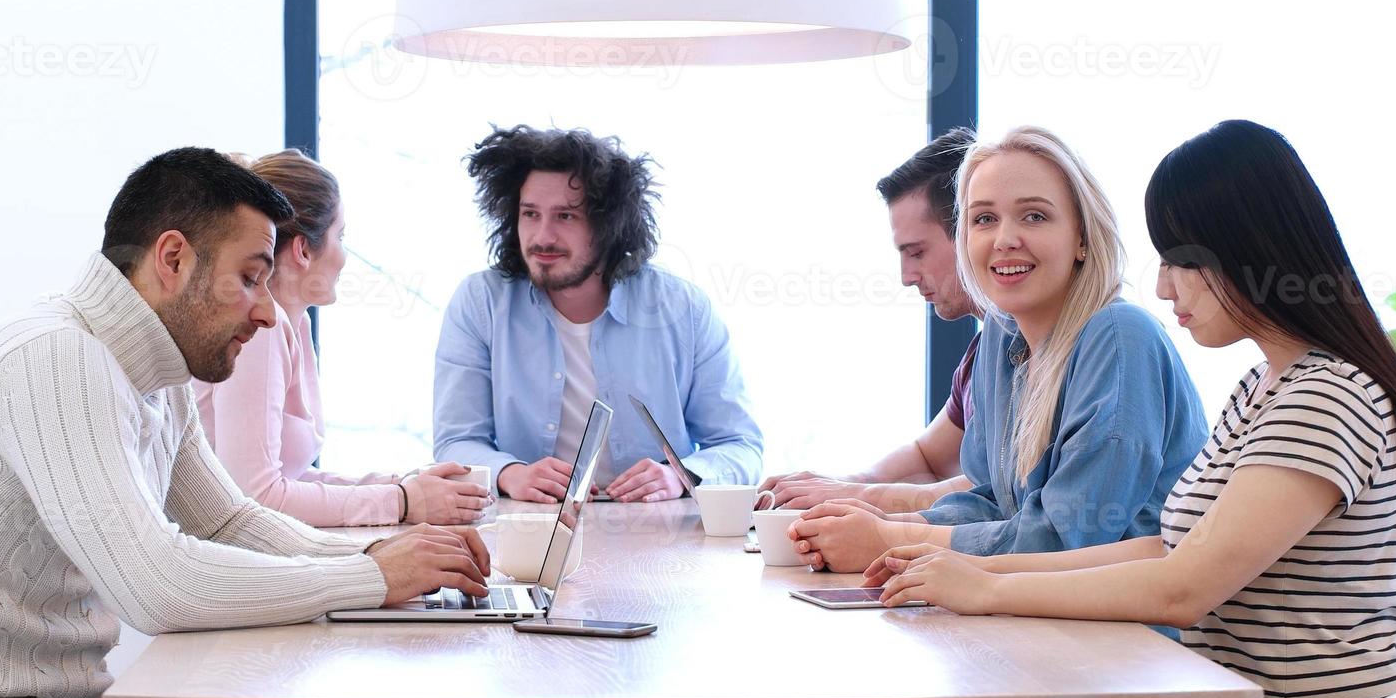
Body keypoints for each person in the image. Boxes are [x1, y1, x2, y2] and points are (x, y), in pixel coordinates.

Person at [0, 148, 491, 698]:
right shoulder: (55, 358)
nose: (267, 313)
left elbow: (231, 521)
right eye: (249, 278)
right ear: (172, 260)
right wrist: (372, 577)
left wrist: (384, 558)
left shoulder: (156, 370)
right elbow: (157, 586)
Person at [866, 119, 1396, 698]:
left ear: (1244, 249)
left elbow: (1180, 590)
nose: (1164, 288)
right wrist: (971, 569)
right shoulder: (1266, 387)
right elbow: (1165, 545)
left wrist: (984, 588)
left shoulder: (1327, 396)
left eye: (1177, 260)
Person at [788, 127, 1205, 573]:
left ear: (1082, 238)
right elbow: (994, 504)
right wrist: (878, 525)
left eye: (1034, 217)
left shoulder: (1121, 337)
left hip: (1129, 637)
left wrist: (888, 539)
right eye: (983, 219)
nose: (1004, 238)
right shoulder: (1000, 341)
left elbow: (1068, 539)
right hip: (1041, 619)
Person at [433, 125, 762, 503]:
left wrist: (682, 476)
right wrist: (511, 474)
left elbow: (740, 445)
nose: (542, 236)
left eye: (566, 216)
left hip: (661, 535)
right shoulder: (480, 302)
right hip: (530, 531)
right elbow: (457, 441)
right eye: (530, 213)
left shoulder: (683, 309)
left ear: (609, 224)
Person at [193, 150, 490, 527]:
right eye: (341, 235)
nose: (345, 255)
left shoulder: (293, 324)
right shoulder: (260, 333)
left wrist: (402, 485)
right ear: (303, 249)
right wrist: (400, 501)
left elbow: (291, 480)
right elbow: (258, 496)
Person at [760, 126, 985, 513]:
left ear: (970, 233)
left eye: (916, 252)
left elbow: (1001, 491)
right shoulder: (986, 352)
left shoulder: (1058, 346)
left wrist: (859, 496)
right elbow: (929, 459)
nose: (906, 276)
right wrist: (840, 484)